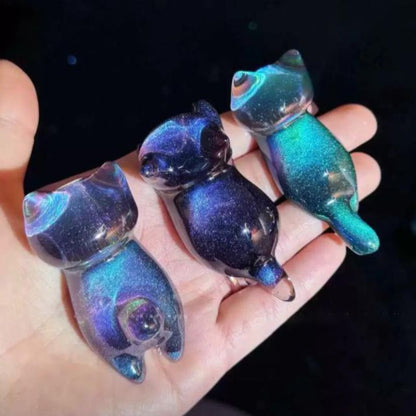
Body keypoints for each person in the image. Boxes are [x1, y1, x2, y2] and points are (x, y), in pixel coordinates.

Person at [0, 60, 380, 415]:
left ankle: (157, 343)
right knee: (135, 320)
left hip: (230, 214)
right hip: (237, 219)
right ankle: (150, 347)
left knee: (147, 316)